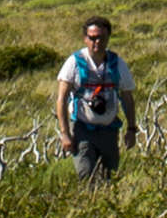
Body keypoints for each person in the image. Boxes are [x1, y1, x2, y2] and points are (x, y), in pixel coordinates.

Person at [57, 17, 135, 178]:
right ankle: (87, 201)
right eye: (92, 38)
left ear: (108, 38)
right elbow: (62, 98)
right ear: (85, 39)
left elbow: (127, 97)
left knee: (109, 176)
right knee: (86, 174)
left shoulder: (117, 64)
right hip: (82, 129)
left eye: (101, 38)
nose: (96, 42)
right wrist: (65, 133)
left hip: (109, 131)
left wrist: (131, 129)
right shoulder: (74, 63)